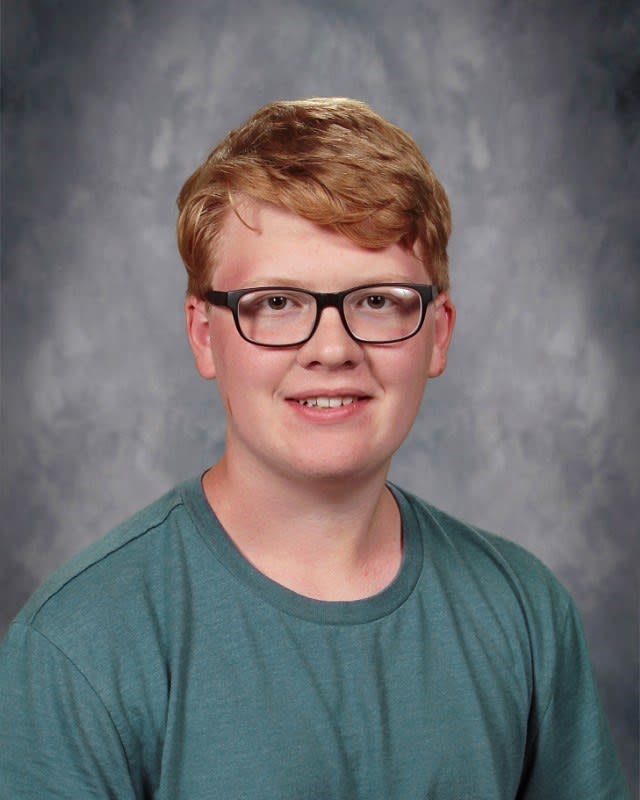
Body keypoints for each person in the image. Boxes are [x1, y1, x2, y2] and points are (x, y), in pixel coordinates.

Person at [0, 98, 628, 799]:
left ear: (438, 332)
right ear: (204, 335)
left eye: (378, 301)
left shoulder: (524, 612)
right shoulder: (78, 645)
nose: (332, 349)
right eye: (276, 303)